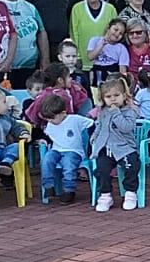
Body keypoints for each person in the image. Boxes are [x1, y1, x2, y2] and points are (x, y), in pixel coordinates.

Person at [89, 76, 142, 212]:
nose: (112, 99)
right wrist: (94, 138)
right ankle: (105, 195)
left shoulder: (130, 111)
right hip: (106, 148)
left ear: (124, 95)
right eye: (108, 96)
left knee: (132, 165)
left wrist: (116, 113)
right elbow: (99, 127)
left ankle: (130, 193)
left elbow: (126, 127)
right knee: (102, 169)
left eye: (116, 95)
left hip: (125, 148)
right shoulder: (103, 112)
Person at [0, 0, 48, 86]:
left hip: (28, 67)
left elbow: (42, 32)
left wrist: (45, 60)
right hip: (2, 68)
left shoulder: (30, 7)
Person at [37, 94, 92, 204]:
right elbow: (48, 136)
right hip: (57, 149)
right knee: (47, 160)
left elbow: (91, 124)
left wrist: (90, 139)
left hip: (73, 151)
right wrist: (44, 140)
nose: (50, 121)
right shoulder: (50, 123)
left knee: (68, 164)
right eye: (47, 118)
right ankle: (48, 186)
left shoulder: (75, 119)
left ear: (63, 113)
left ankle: (69, 190)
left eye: (52, 118)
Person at [26, 61, 93, 127]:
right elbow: (34, 112)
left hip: (71, 124)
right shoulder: (46, 94)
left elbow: (83, 101)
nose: (71, 79)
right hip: (53, 127)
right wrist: (42, 121)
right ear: (60, 80)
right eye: (68, 77)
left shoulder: (72, 89)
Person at [70, 0, 118, 66]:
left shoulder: (110, 9)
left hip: (107, 59)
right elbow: (74, 33)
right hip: (84, 59)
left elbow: (116, 32)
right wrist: (77, 56)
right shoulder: (77, 8)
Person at [87, 18, 129, 86]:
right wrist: (102, 44)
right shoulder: (94, 40)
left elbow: (122, 70)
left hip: (112, 78)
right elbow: (90, 57)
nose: (117, 34)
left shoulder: (121, 48)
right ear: (108, 27)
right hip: (97, 76)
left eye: (121, 33)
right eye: (115, 29)